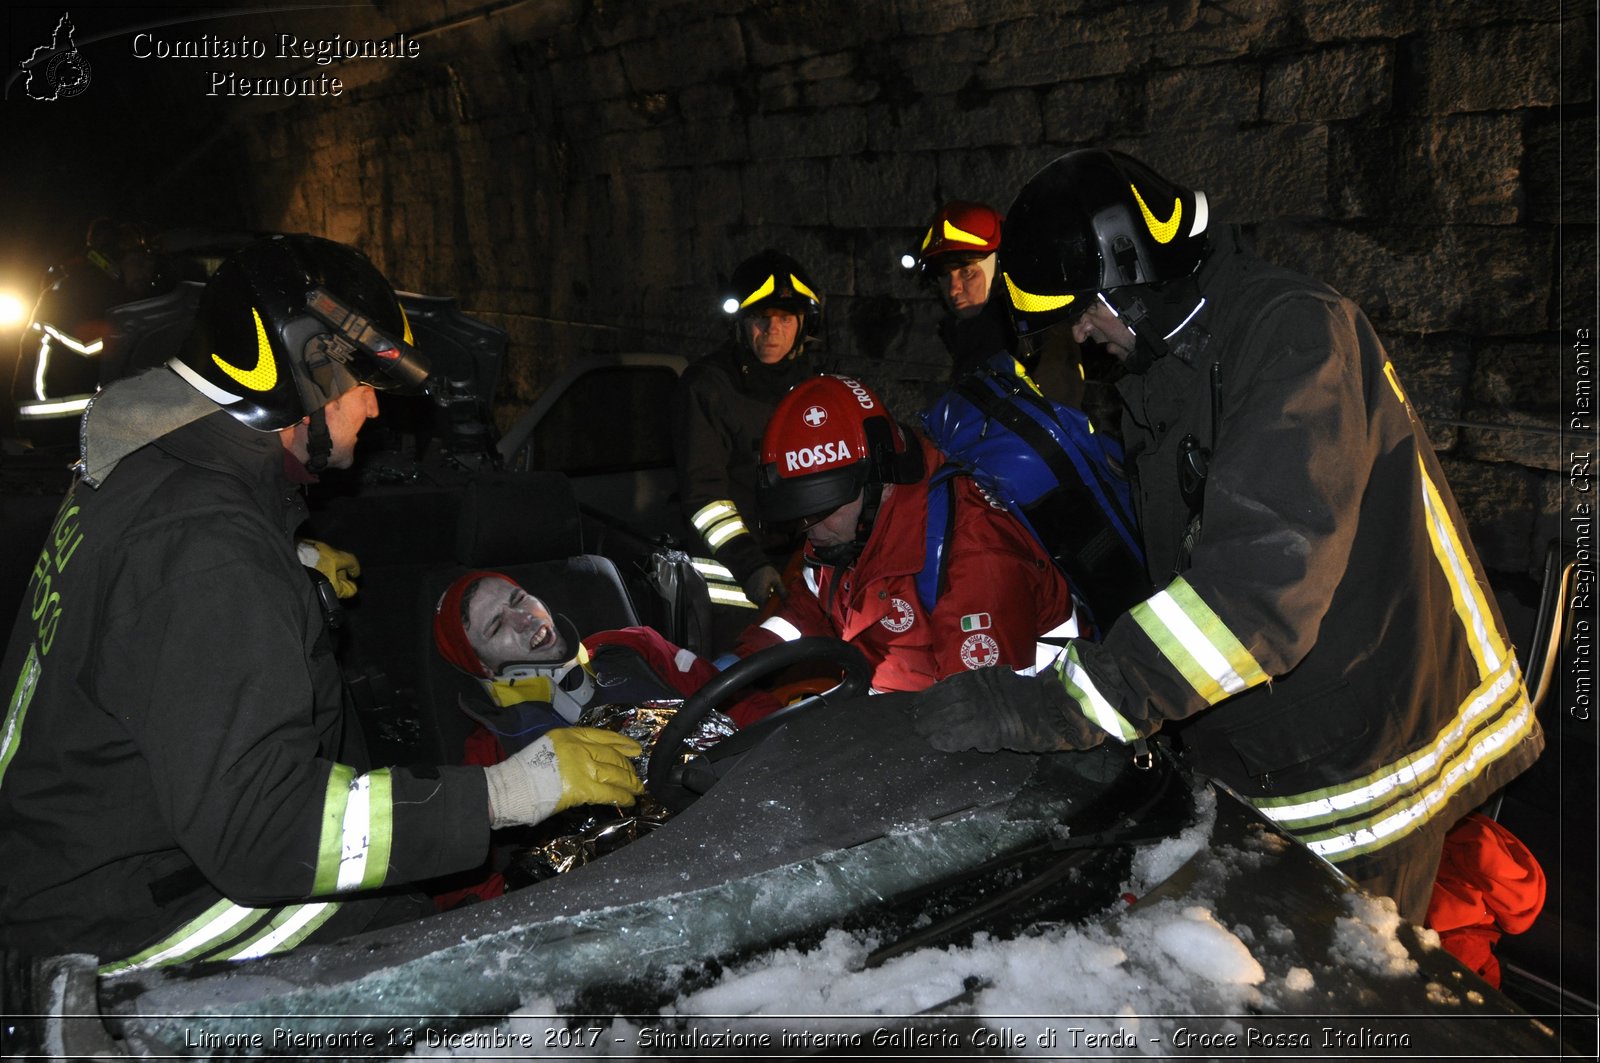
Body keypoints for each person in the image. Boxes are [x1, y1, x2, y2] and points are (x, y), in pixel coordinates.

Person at [906, 149, 1545, 923]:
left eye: (1081, 311)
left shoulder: (1293, 336)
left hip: (1363, 760)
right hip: (1271, 744)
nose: (1076, 336)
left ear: (1129, 274)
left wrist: (1060, 705)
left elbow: (1251, 597)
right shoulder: (1160, 366)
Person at [0, 234, 642, 970]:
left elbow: (140, 616)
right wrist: (505, 790)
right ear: (295, 373)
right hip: (114, 921)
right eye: (360, 379)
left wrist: (288, 560)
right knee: (428, 955)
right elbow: (265, 827)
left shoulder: (148, 459)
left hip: (75, 856)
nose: (373, 406)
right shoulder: (210, 557)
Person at [734, 373, 1083, 693]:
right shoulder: (846, 529)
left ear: (880, 483)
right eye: (801, 515)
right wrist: (740, 664)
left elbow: (984, 720)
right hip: (891, 712)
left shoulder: (976, 559)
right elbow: (808, 609)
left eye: (821, 510)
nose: (810, 530)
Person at [431, 570, 781, 754]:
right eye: (496, 625)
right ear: (484, 668)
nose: (524, 618)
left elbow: (744, 706)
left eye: (520, 598)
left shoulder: (633, 646)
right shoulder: (493, 749)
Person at [672, 250, 822, 620]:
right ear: (740, 323)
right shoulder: (707, 386)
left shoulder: (815, 386)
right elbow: (705, 497)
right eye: (760, 318)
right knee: (739, 671)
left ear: (802, 324)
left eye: (785, 318)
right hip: (734, 582)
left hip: (803, 570)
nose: (773, 331)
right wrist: (750, 565)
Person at [908, 199, 1084, 406]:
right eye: (945, 276)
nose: (954, 289)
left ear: (999, 270)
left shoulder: (1037, 336)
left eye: (967, 272)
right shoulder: (971, 332)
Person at [11, 219, 160, 439]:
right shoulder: (71, 290)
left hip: (85, 416)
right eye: (138, 263)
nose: (146, 273)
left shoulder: (109, 296)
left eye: (149, 266)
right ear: (110, 261)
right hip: (53, 417)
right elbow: (89, 346)